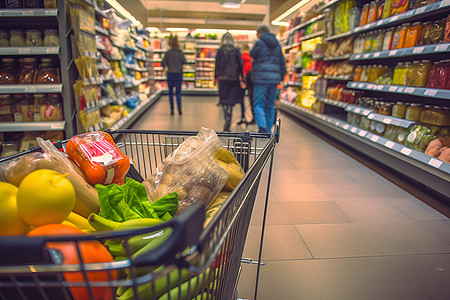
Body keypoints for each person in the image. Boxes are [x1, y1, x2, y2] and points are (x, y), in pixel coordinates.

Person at [250, 25, 286, 133]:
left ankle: (262, 126)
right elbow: (282, 62)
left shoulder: (260, 43)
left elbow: (252, 54)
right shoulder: (277, 45)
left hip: (260, 78)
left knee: (258, 103)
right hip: (274, 79)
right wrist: (281, 77)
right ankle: (269, 129)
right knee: (270, 104)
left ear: (260, 33)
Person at [215, 32, 244, 132]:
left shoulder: (220, 51)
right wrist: (242, 77)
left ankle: (226, 119)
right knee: (231, 101)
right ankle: (228, 121)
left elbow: (217, 65)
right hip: (233, 78)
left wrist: (216, 77)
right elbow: (240, 65)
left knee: (223, 100)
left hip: (223, 78)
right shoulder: (236, 51)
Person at [162, 34, 186, 115]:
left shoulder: (168, 53)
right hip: (178, 74)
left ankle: (172, 109)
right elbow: (184, 61)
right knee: (178, 92)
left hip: (170, 74)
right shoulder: (180, 52)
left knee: (171, 93)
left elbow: (163, 63)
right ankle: (179, 109)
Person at [241, 43, 255, 124]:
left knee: (241, 100)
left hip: (244, 80)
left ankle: (243, 117)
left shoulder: (242, 57)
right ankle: (254, 118)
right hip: (252, 80)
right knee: (252, 99)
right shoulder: (251, 59)